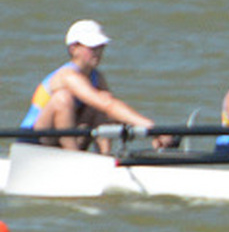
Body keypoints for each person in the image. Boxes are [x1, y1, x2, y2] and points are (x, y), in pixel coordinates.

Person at [21, 20, 158, 153]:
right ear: (74, 49)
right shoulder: (66, 75)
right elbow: (107, 104)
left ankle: (105, 155)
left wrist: (142, 129)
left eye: (101, 47)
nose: (98, 52)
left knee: (102, 101)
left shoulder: (97, 77)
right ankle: (73, 156)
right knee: (63, 99)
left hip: (62, 137)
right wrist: (149, 126)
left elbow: (110, 109)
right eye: (92, 48)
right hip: (33, 141)